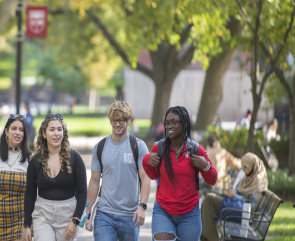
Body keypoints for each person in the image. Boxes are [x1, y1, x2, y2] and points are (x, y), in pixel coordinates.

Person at [143, 106, 218, 241]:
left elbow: (212, 180)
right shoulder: (159, 148)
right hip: (163, 210)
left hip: (190, 213)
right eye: (166, 123)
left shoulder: (196, 149)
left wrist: (205, 166)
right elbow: (153, 175)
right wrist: (146, 160)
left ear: (185, 124)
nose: (169, 126)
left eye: (174, 122)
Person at [85, 100, 151, 241]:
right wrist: (88, 210)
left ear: (128, 120)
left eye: (121, 120)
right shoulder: (100, 147)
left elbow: (145, 178)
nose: (117, 124)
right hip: (104, 214)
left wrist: (142, 207)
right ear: (110, 121)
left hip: (130, 216)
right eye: (114, 120)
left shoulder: (138, 146)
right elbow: (94, 181)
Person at [22, 114, 87, 241]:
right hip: (43, 214)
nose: (56, 133)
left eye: (59, 129)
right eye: (52, 130)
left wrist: (76, 220)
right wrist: (27, 225)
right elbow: (29, 194)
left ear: (64, 133)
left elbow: (82, 192)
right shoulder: (35, 161)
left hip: (68, 215)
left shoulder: (75, 158)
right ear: (44, 134)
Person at [200, 153, 268, 241]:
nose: (243, 170)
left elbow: (252, 205)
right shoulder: (249, 177)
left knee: (209, 199)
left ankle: (207, 237)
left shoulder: (257, 182)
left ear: (253, 167)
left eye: (245, 167)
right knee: (209, 200)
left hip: (242, 213)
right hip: (235, 206)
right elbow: (240, 192)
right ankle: (206, 236)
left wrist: (234, 195)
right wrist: (231, 193)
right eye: (242, 167)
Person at [0, 114, 33, 241]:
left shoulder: (31, 159)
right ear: (6, 131)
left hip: (23, 221)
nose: (18, 133)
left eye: (21, 130)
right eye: (14, 128)